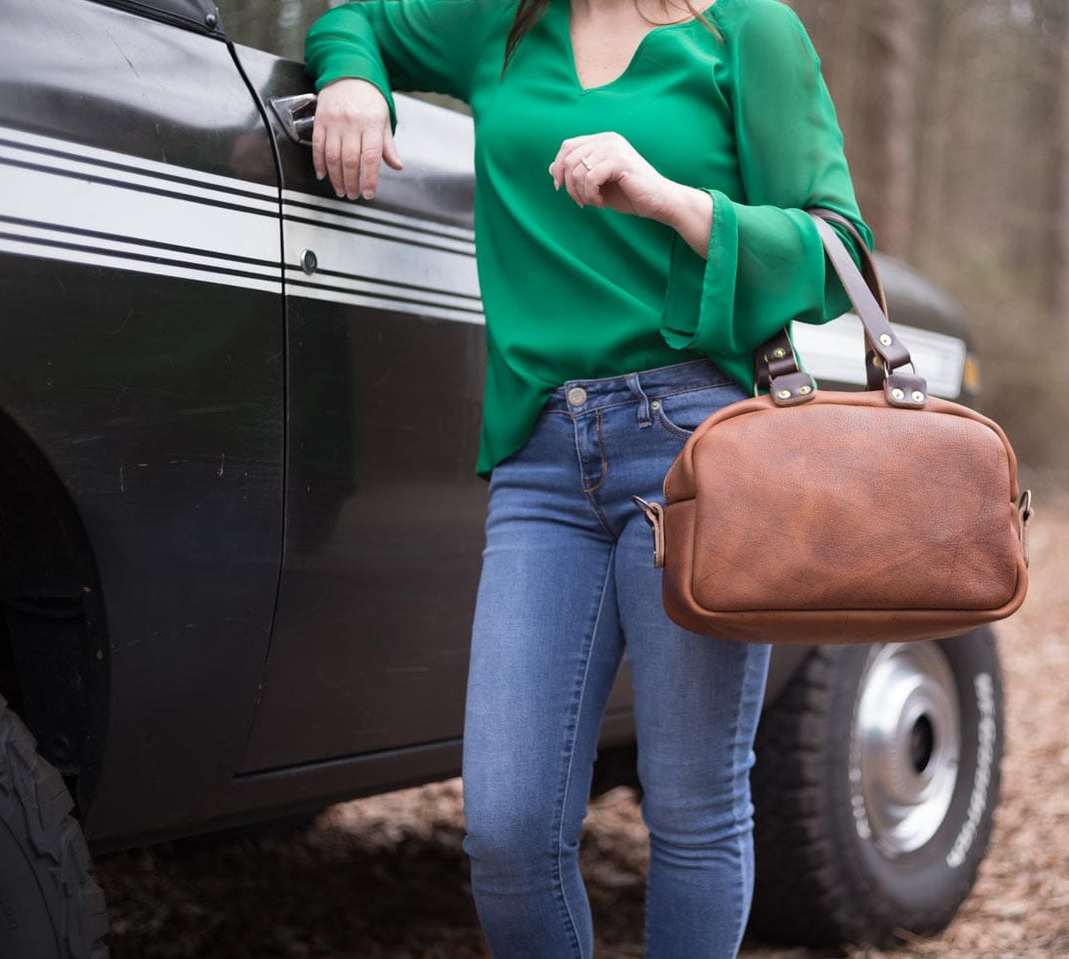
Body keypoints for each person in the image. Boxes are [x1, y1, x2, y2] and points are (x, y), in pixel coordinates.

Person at [302, 0, 873, 954]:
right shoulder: (497, 22)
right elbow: (349, 19)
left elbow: (838, 246)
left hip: (696, 449)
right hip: (539, 457)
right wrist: (353, 79)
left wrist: (669, 198)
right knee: (509, 828)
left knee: (692, 805)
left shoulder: (747, 31)